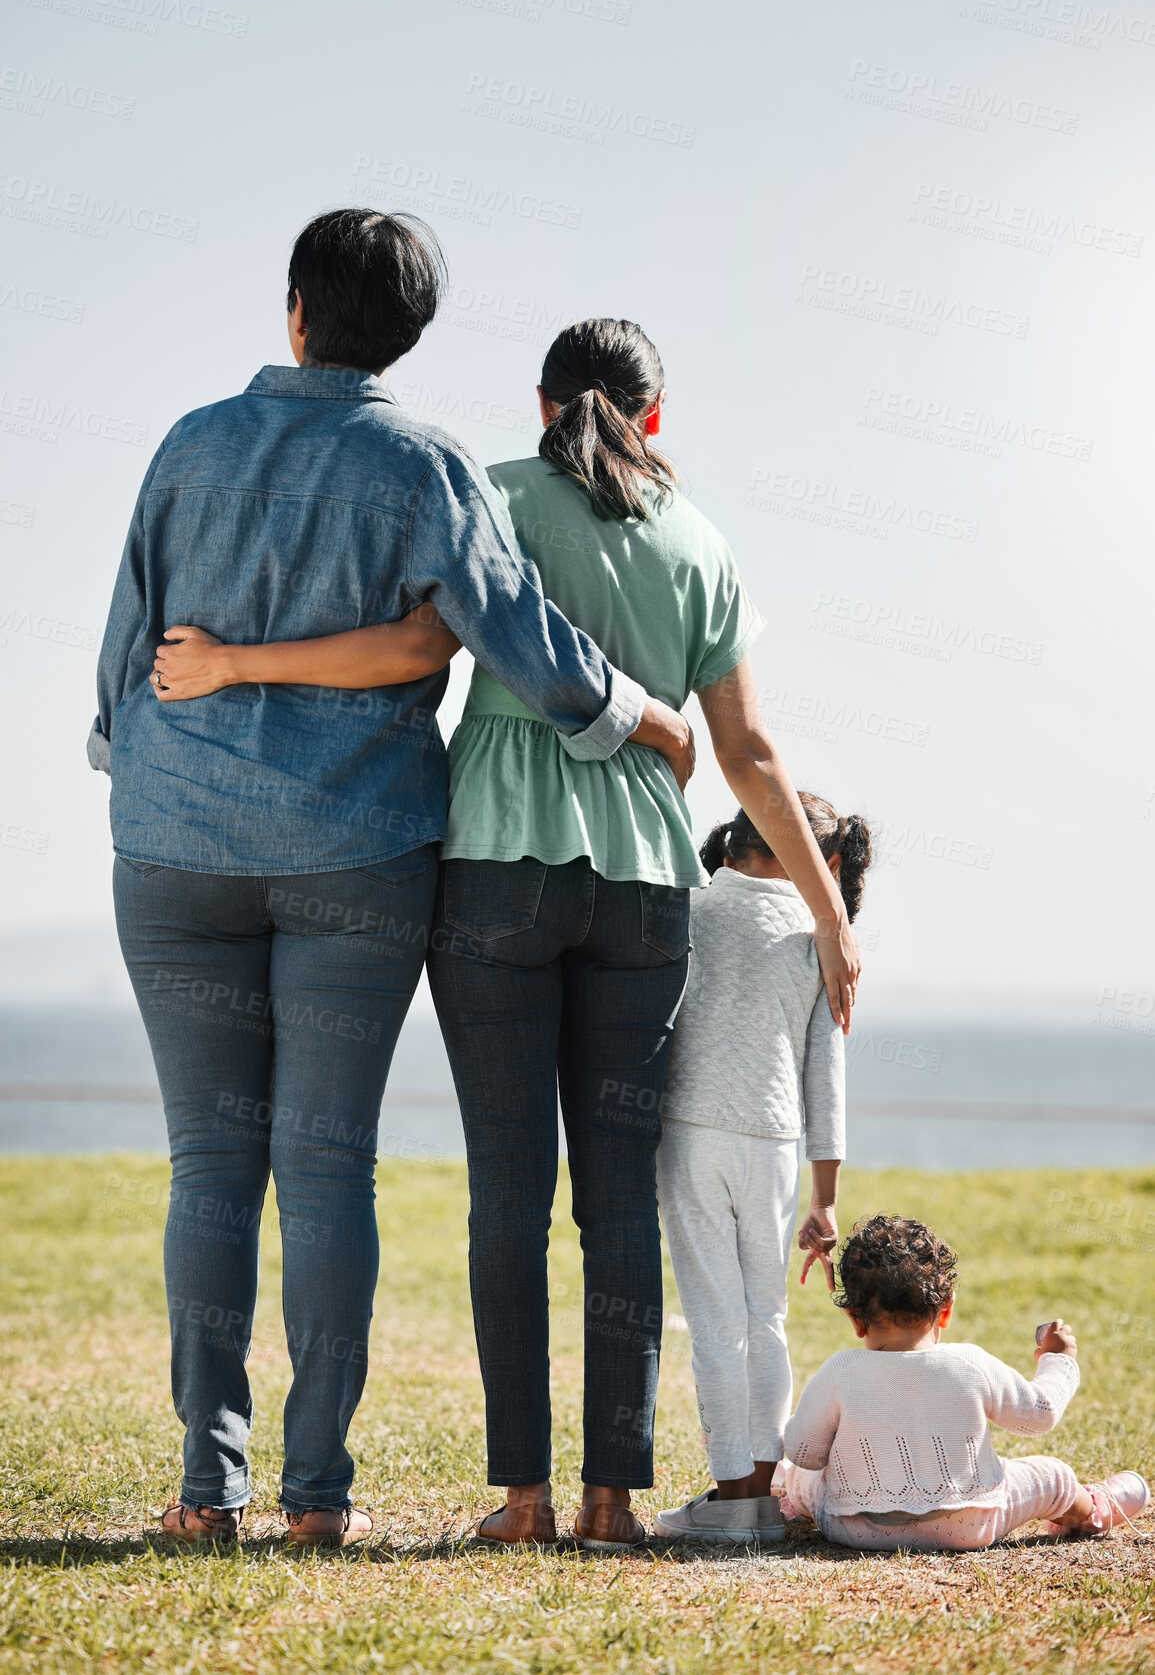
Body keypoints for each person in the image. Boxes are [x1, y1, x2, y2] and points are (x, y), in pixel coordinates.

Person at [153, 317, 862, 1549]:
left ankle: (524, 1500)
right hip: (644, 883)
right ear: (654, 415)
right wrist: (830, 913)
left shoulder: (492, 496)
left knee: (507, 1199)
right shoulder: (701, 543)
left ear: (542, 404)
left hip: (493, 870)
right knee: (619, 1205)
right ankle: (610, 1502)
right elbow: (747, 754)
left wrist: (235, 672)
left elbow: (419, 648)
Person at [89, 212, 693, 1549]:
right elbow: (522, 644)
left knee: (208, 1165)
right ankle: (313, 1499)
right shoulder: (423, 461)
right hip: (358, 852)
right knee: (323, 1169)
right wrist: (637, 716)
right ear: (408, 332)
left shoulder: (189, 443)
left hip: (175, 844)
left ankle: (207, 1485)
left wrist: (138, 759)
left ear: (294, 308)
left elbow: (126, 645)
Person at [652, 799, 872, 1545]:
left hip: (689, 1134)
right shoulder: (824, 936)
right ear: (826, 862)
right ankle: (763, 1495)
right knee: (764, 1318)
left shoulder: (686, 900)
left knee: (715, 1321)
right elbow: (825, 1076)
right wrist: (826, 1199)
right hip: (777, 1147)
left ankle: (730, 1498)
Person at [777, 1214, 1151, 1550]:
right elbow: (1041, 1415)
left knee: (802, 1478)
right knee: (1050, 1476)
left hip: (857, 1529)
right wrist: (1058, 1360)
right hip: (971, 1523)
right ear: (946, 1310)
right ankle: (1093, 1507)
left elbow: (803, 1451)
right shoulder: (969, 1362)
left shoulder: (841, 1370)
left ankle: (784, 1497)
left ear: (855, 1319)